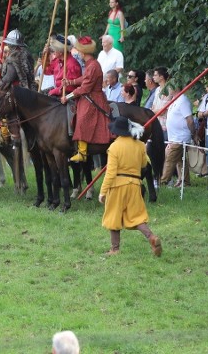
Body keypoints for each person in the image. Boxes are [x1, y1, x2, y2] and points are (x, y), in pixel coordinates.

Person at [99, 116, 163, 257]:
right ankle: (152, 237)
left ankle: (115, 249)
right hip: (135, 185)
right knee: (137, 217)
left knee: (113, 216)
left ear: (116, 131)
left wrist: (102, 192)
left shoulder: (114, 147)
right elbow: (143, 165)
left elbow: (110, 173)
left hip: (117, 186)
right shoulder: (140, 145)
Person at [61, 36, 110, 163]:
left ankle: (82, 153)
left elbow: (85, 88)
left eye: (77, 50)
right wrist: (70, 81)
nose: (77, 52)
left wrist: (67, 97)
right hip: (87, 97)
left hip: (93, 98)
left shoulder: (93, 65)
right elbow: (84, 78)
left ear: (82, 52)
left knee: (82, 119)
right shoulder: (90, 64)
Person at [159, 89, 194, 188]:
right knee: (180, 160)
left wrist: (193, 134)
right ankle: (184, 180)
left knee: (169, 159)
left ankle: (163, 181)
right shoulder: (175, 99)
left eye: (169, 87)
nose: (168, 89)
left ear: (175, 88)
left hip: (180, 137)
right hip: (174, 137)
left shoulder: (183, 100)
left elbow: (190, 120)